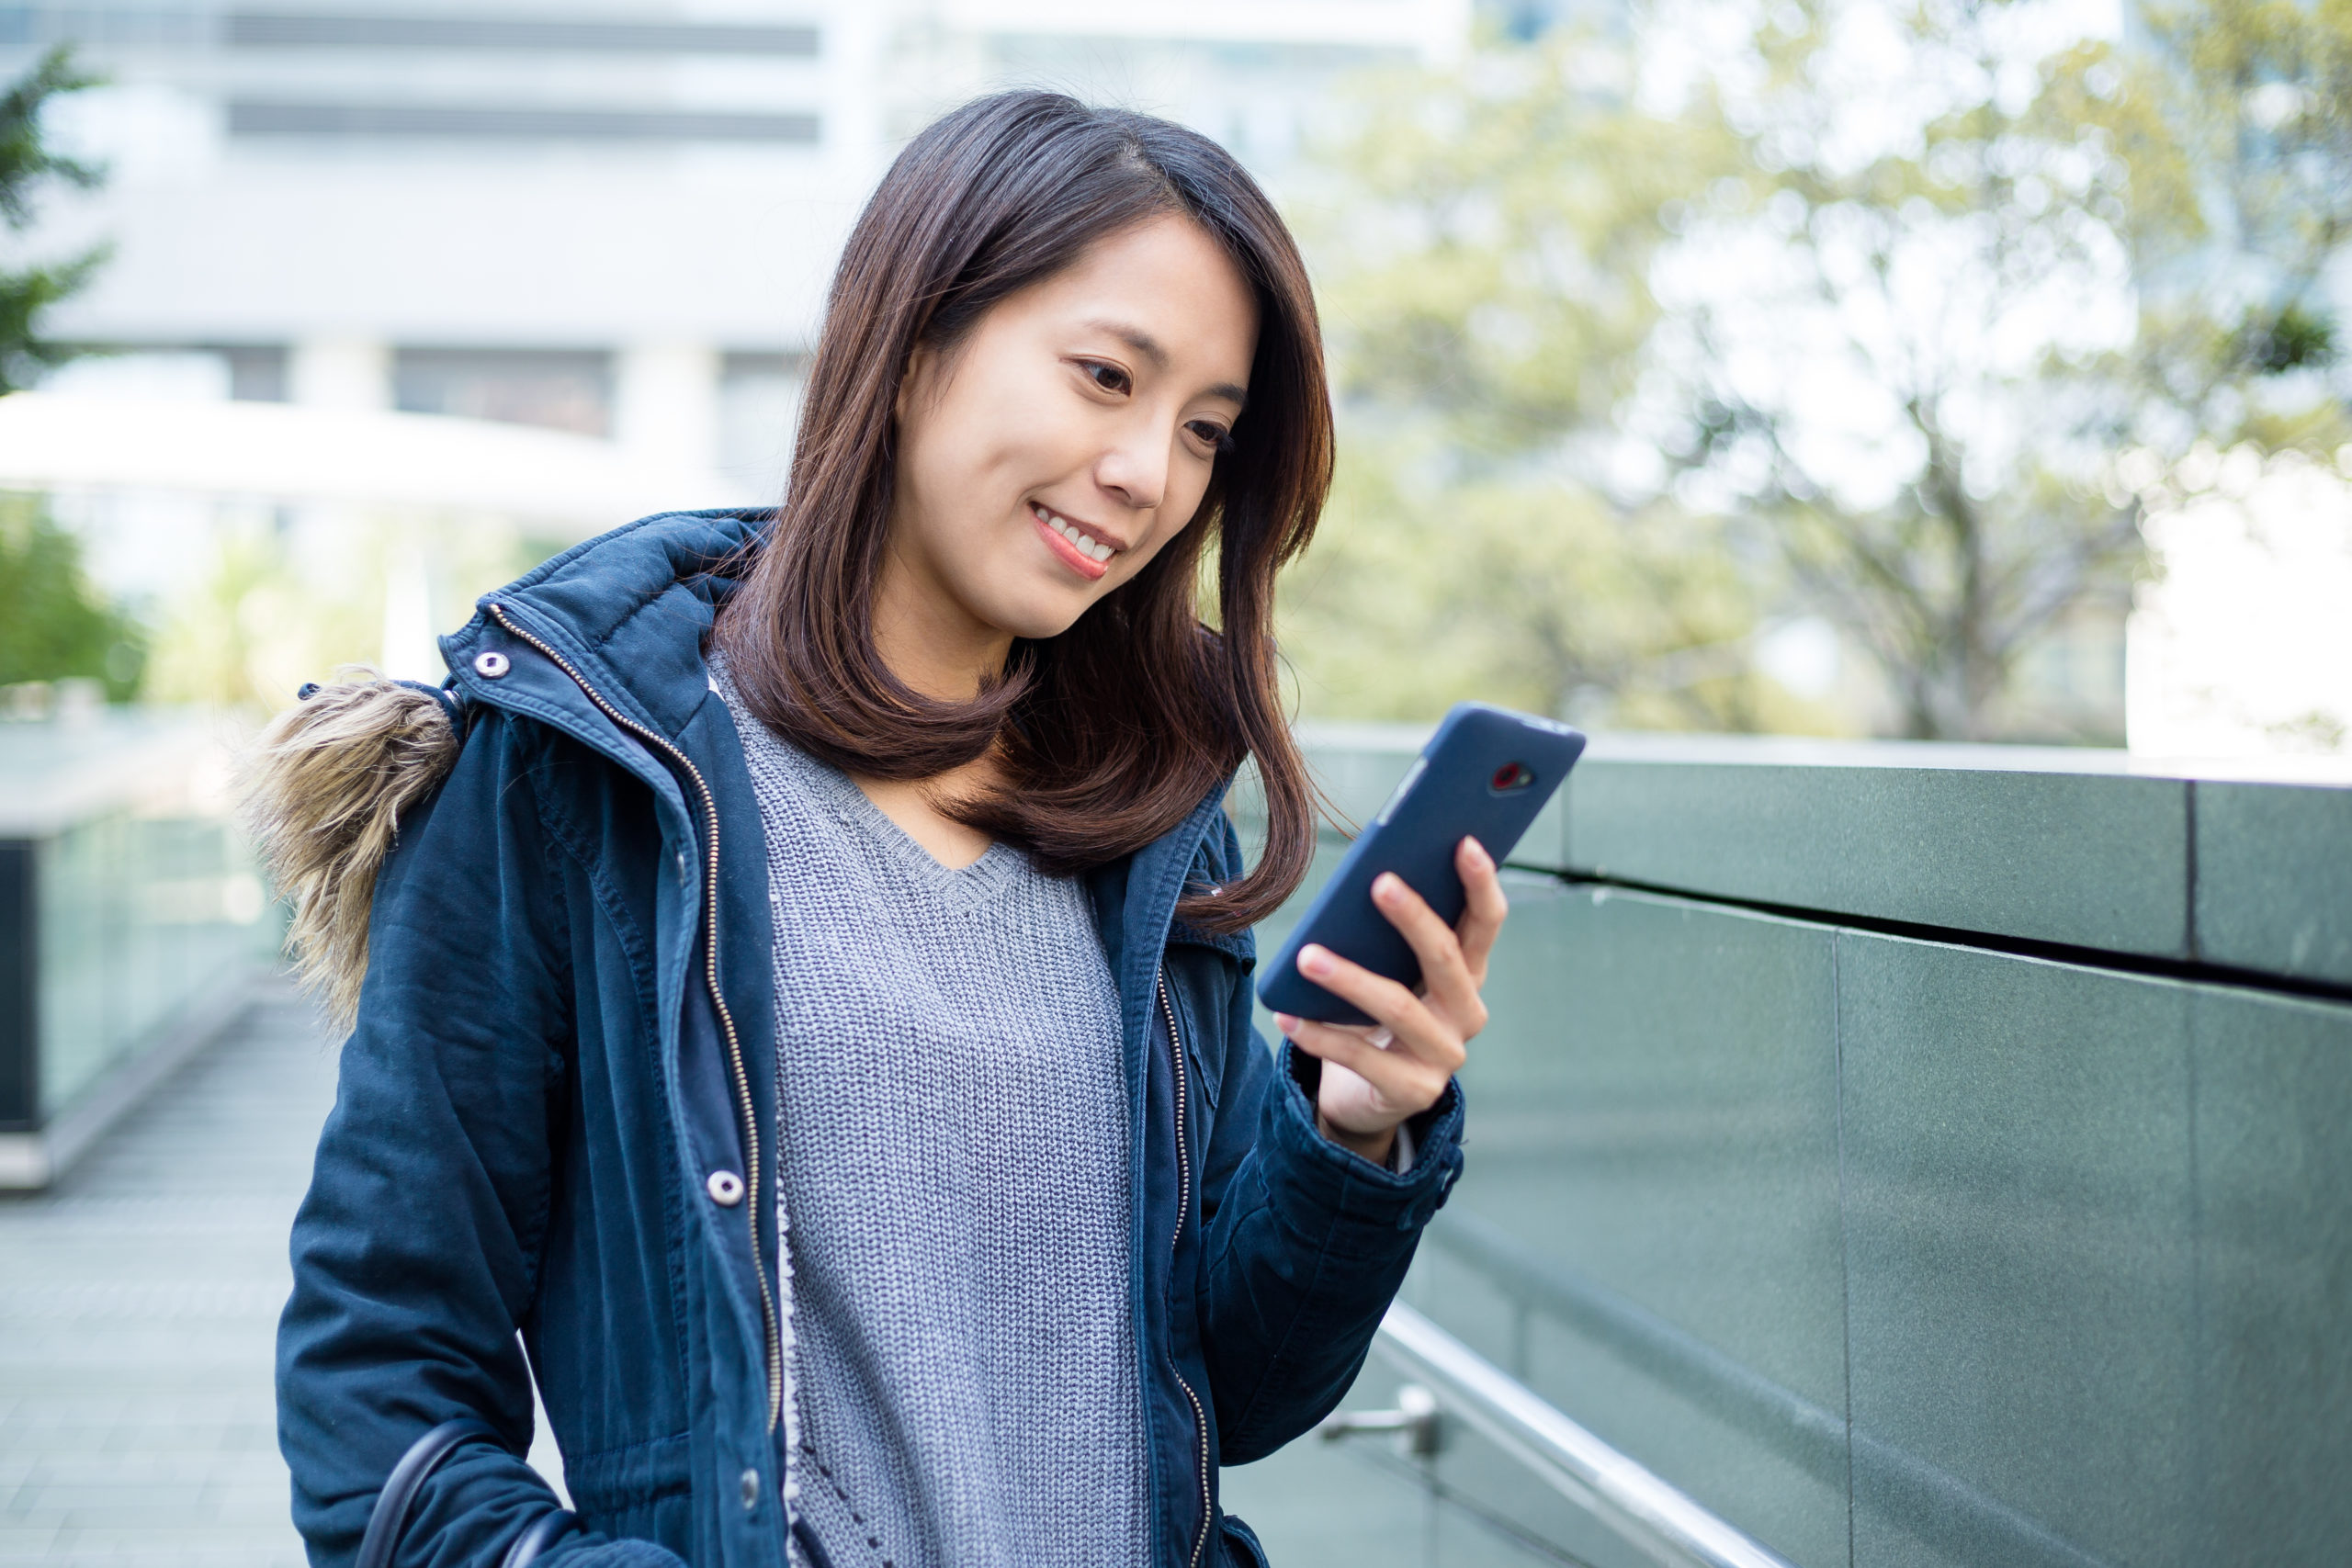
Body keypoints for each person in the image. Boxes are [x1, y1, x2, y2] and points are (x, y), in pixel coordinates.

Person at [253, 91, 1508, 1568]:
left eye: (1205, 433)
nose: (1147, 474)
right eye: (1106, 377)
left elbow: (1231, 1389)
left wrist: (1351, 1143)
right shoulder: (581, 773)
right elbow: (377, 1389)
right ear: (914, 343)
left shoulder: (1153, 815)